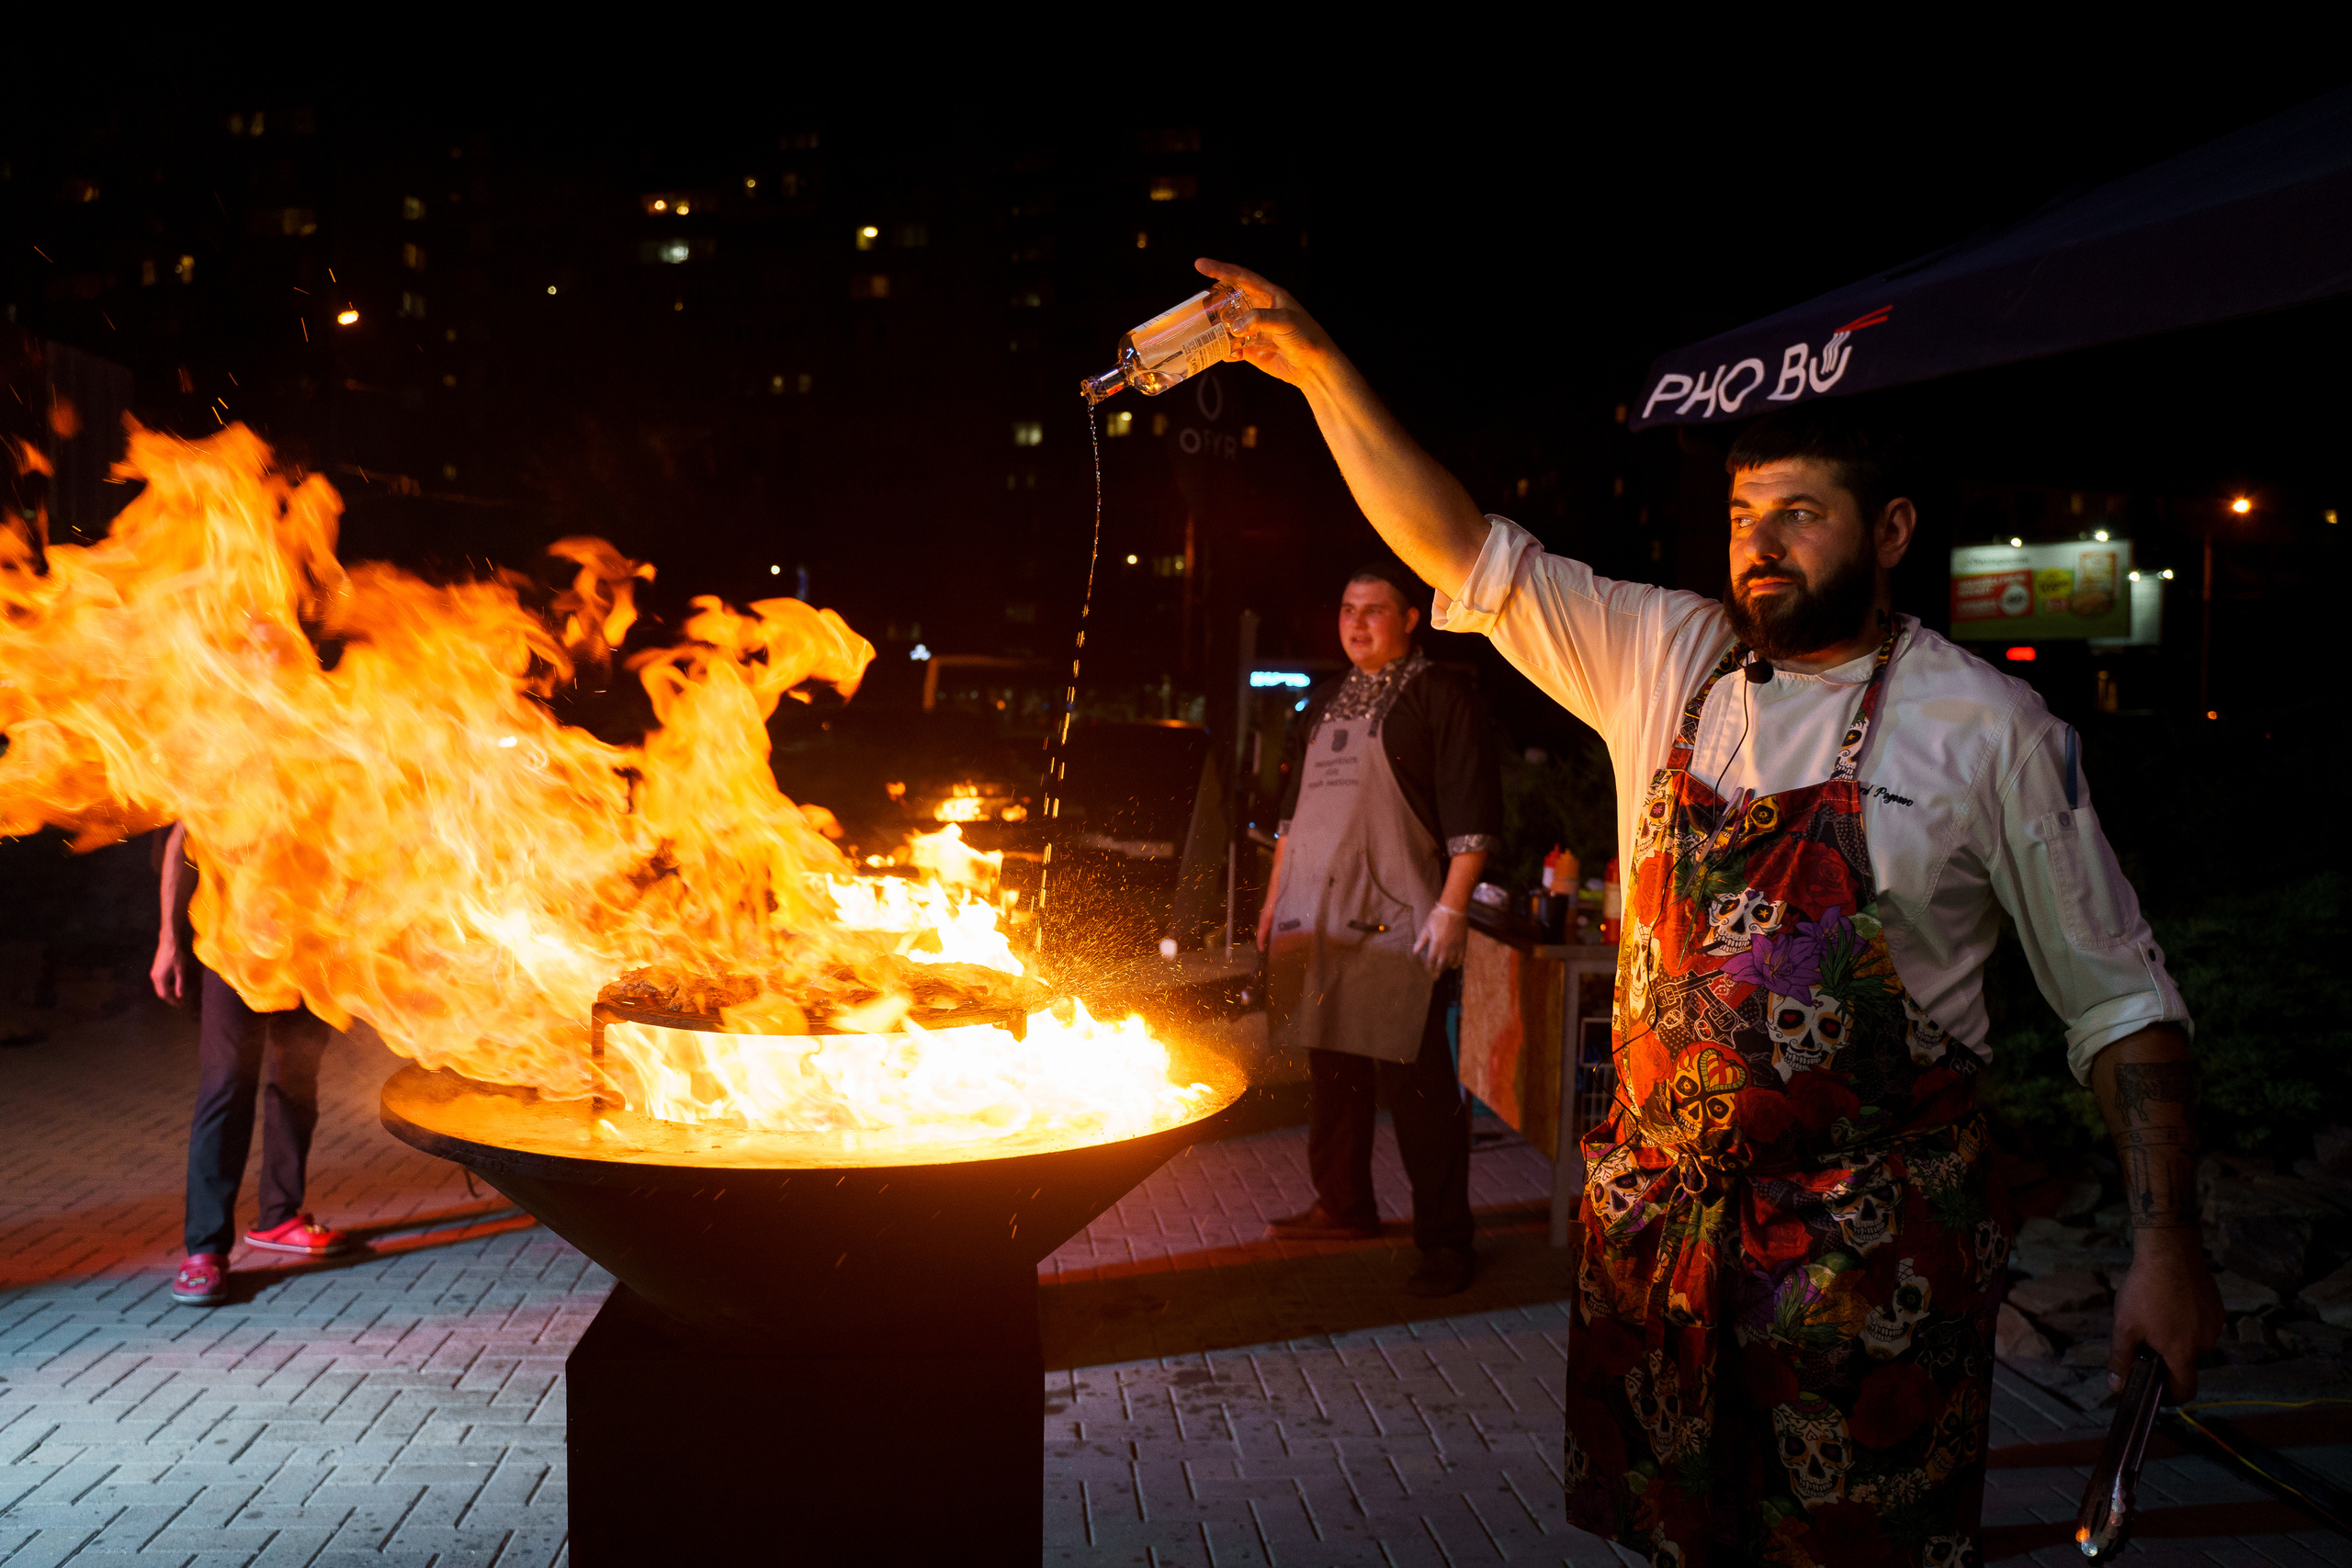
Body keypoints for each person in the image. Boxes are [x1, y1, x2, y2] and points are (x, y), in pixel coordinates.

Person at [1202, 257, 2221, 1566]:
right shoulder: (1666, 657)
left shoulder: (1990, 727)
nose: (1761, 541)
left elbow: (2124, 1006)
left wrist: (2167, 1247)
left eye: (1802, 513)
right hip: (1664, 1252)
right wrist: (1320, 372)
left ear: (1892, 531)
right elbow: (1455, 545)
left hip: (1874, 1280)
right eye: (1746, 511)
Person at [1257, 560, 1502, 1299]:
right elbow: (1292, 820)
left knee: (1420, 1087)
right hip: (1315, 918)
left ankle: (1447, 1240)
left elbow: (1472, 815)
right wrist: (1273, 903)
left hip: (1400, 921)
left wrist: (1452, 907)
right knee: (1331, 1076)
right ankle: (1343, 1205)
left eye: (1374, 610)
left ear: (1410, 620)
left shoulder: (1440, 696)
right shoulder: (1323, 701)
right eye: (1347, 608)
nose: (1357, 622)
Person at [152, 823, 351, 1306]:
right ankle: (205, 1250)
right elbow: (182, 840)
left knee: (298, 1081)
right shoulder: (231, 751)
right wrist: (169, 940)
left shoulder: (334, 752)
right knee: (226, 1084)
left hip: (311, 943)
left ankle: (279, 1216)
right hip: (232, 944)